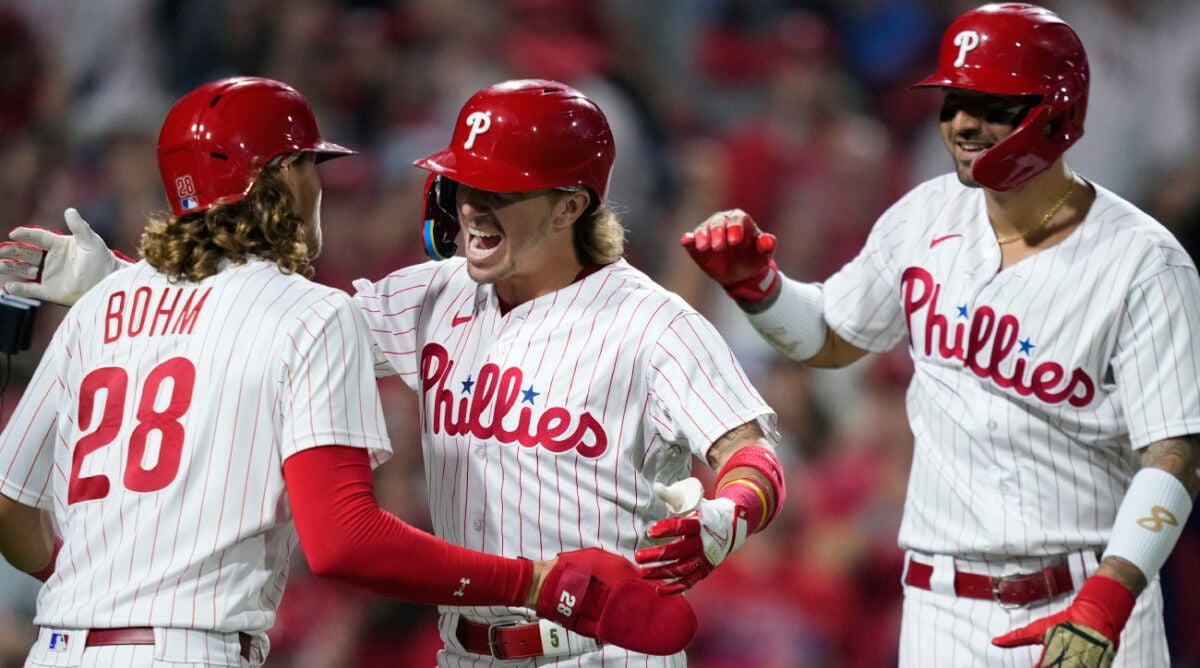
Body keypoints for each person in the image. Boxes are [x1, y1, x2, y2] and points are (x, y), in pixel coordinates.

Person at [1, 78, 787, 666]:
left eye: (498, 190)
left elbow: (750, 458)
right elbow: (255, 325)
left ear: (570, 205)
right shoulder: (430, 296)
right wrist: (122, 279)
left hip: (601, 649)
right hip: (466, 649)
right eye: (462, 181)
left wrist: (729, 514)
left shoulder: (651, 322)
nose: (469, 206)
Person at [678, 3, 1200, 668]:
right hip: (940, 609)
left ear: (1059, 111)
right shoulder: (923, 216)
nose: (962, 122)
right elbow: (833, 336)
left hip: (1084, 592)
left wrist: (1111, 595)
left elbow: (1176, 454)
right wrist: (760, 288)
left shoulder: (1144, 262)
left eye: (992, 104)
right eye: (955, 101)